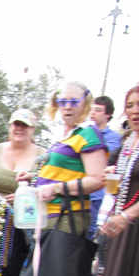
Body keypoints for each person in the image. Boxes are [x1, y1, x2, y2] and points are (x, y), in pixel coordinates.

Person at [85, 85, 139, 276]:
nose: (134, 111)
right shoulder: (128, 142)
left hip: (131, 225)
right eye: (130, 105)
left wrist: (127, 215)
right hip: (122, 227)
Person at [28, 82, 107, 234]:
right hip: (48, 215)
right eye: (63, 102)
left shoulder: (88, 133)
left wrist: (56, 188)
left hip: (67, 216)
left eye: (74, 101)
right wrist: (33, 177)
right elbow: (65, 172)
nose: (68, 106)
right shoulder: (68, 135)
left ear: (86, 103)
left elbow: (97, 180)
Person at [0, 109, 43, 202]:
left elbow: (50, 186)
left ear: (32, 129)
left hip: (26, 212)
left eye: (25, 125)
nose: (20, 128)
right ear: (10, 127)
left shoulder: (43, 155)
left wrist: (24, 196)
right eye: (16, 124)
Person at [88, 95, 122, 238]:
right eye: (92, 109)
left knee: (90, 239)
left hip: (98, 198)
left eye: (98, 110)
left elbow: (104, 159)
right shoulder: (84, 133)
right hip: (81, 195)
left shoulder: (114, 138)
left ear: (107, 114)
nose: (93, 113)